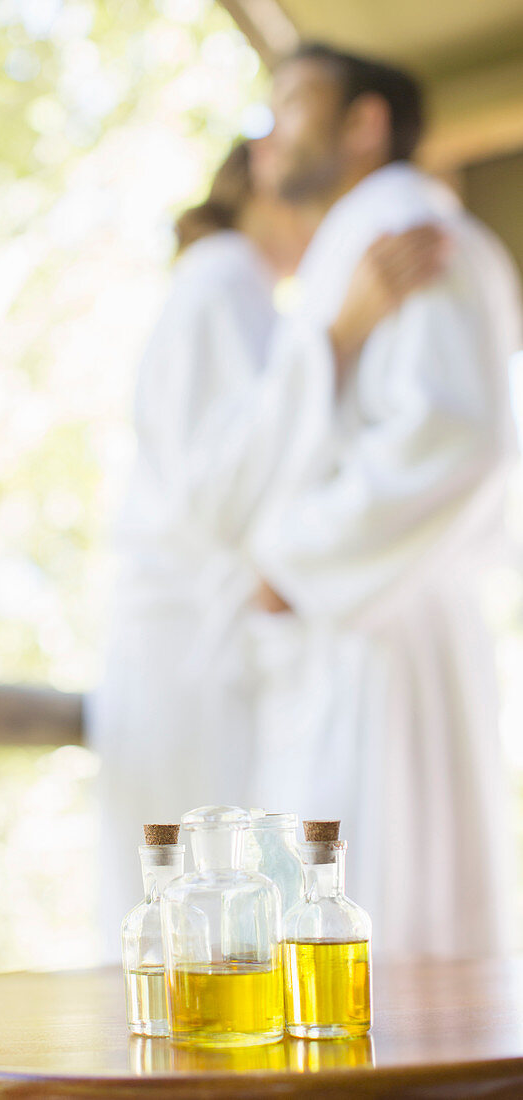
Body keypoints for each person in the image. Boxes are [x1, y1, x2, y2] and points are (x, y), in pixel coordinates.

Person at [89, 135, 446, 959]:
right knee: (200, 934)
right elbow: (219, 486)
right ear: (262, 178)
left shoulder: (237, 290)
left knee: (209, 936)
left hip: (204, 650)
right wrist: (339, 334)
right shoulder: (222, 281)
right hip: (191, 653)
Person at [245, 44, 522, 957]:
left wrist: (298, 562)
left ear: (364, 122)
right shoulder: (349, 255)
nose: (270, 132)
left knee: (386, 930)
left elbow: (454, 435)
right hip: (359, 626)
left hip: (383, 635)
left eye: (293, 105)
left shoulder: (402, 232)